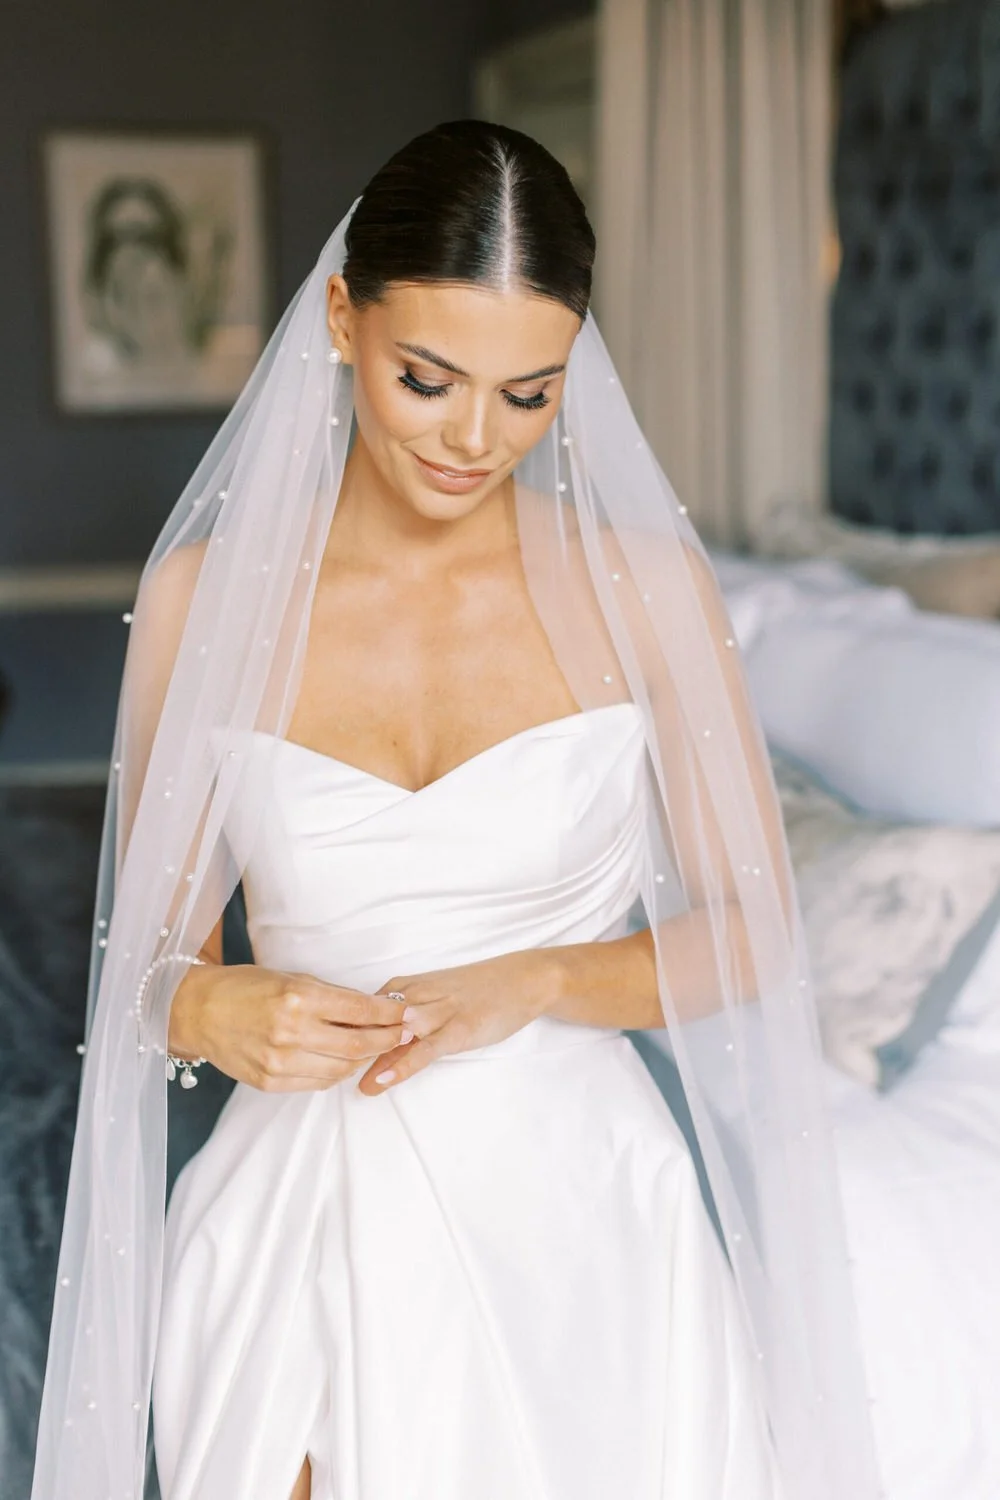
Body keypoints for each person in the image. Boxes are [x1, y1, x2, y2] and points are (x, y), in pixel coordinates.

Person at [30, 121, 883, 1500]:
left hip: (585, 1219)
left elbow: (755, 935)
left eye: (529, 394)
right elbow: (151, 961)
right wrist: (210, 1006)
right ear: (339, 317)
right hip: (296, 1201)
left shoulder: (646, 589)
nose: (476, 439)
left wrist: (540, 976)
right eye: (428, 379)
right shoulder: (204, 603)